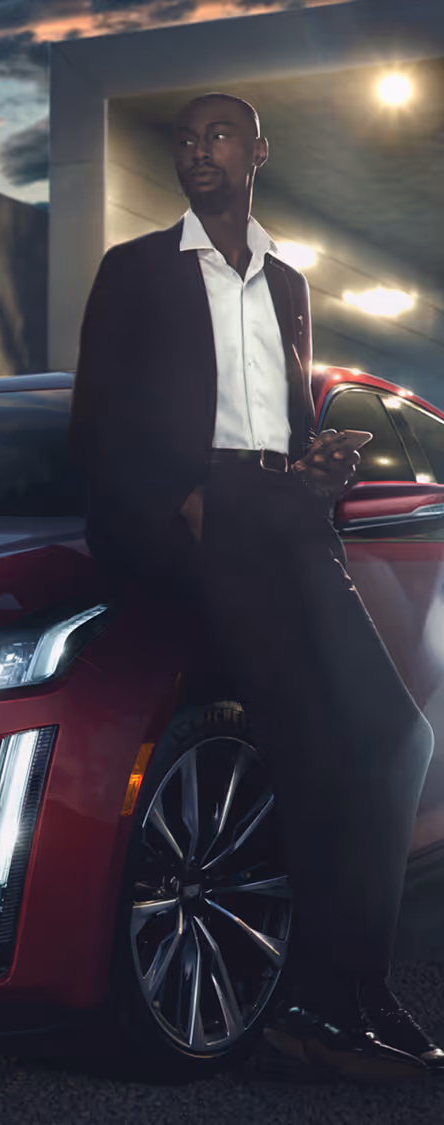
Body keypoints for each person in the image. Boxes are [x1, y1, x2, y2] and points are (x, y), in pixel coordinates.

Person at [69, 92, 438, 1083]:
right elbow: (96, 421)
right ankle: (322, 1006)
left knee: (395, 735)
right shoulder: (135, 269)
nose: (196, 150)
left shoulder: (285, 280)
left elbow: (272, 415)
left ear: (256, 153)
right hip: (205, 522)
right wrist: (182, 504)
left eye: (216, 136)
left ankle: (345, 995)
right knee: (314, 746)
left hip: (286, 518)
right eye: (185, 139)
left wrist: (314, 470)